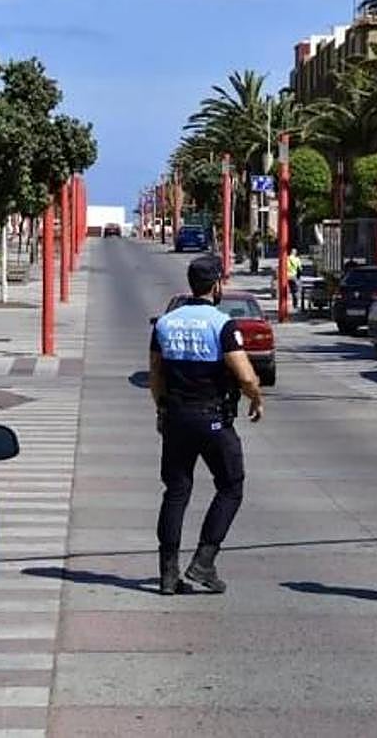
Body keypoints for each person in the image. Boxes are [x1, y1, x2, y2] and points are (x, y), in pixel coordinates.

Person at [149, 255, 265, 595]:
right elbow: (244, 374)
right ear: (216, 285)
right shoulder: (221, 324)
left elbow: (156, 373)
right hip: (212, 416)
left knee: (176, 491)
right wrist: (255, 397)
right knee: (231, 485)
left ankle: (168, 574)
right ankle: (204, 561)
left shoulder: (166, 323)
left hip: (176, 417)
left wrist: (161, 409)